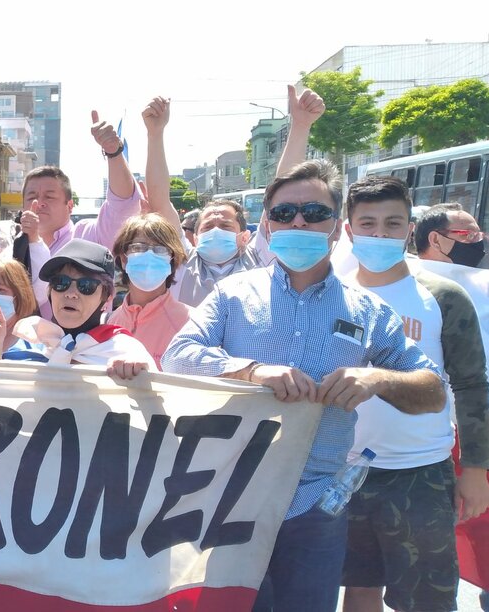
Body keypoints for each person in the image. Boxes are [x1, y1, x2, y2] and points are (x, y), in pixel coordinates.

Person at [162, 160, 445, 612]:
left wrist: (377, 378)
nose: (298, 222)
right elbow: (177, 356)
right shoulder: (234, 296)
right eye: (284, 214)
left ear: (336, 228)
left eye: (313, 213)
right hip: (229, 500)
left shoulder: (368, 310)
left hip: (316, 504)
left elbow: (434, 390)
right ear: (267, 226)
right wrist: (251, 371)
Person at [338, 176, 489, 612]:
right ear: (349, 230)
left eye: (392, 223)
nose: (379, 234)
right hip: (344, 471)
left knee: (427, 598)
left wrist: (476, 470)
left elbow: (472, 384)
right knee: (358, 587)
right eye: (368, 224)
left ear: (410, 229)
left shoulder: (442, 296)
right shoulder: (335, 294)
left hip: (421, 473)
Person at [139, 89, 324, 306]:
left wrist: (301, 126)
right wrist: (154, 133)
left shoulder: (259, 258)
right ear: (195, 239)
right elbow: (160, 203)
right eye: (208, 227)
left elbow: (284, 192)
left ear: (245, 237)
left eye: (225, 226)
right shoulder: (183, 265)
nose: (216, 230)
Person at [18, 111, 143, 316]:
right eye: (32, 196)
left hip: (86, 344)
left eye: (49, 197)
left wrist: (114, 153)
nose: (39, 203)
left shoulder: (88, 237)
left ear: (70, 206)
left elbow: (123, 206)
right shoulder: (13, 247)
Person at [13, 239, 154, 368]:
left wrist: (138, 377)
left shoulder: (127, 352)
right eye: (61, 282)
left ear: (107, 297)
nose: (71, 294)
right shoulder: (27, 342)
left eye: (86, 285)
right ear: (49, 291)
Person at [107, 214, 191, 369]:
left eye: (160, 249)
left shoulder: (191, 323)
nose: (150, 255)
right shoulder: (110, 322)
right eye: (138, 248)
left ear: (172, 260)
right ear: (123, 259)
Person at [415, 202, 486, 269]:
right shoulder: (409, 279)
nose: (479, 242)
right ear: (435, 240)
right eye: (470, 235)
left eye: (479, 236)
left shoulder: (477, 280)